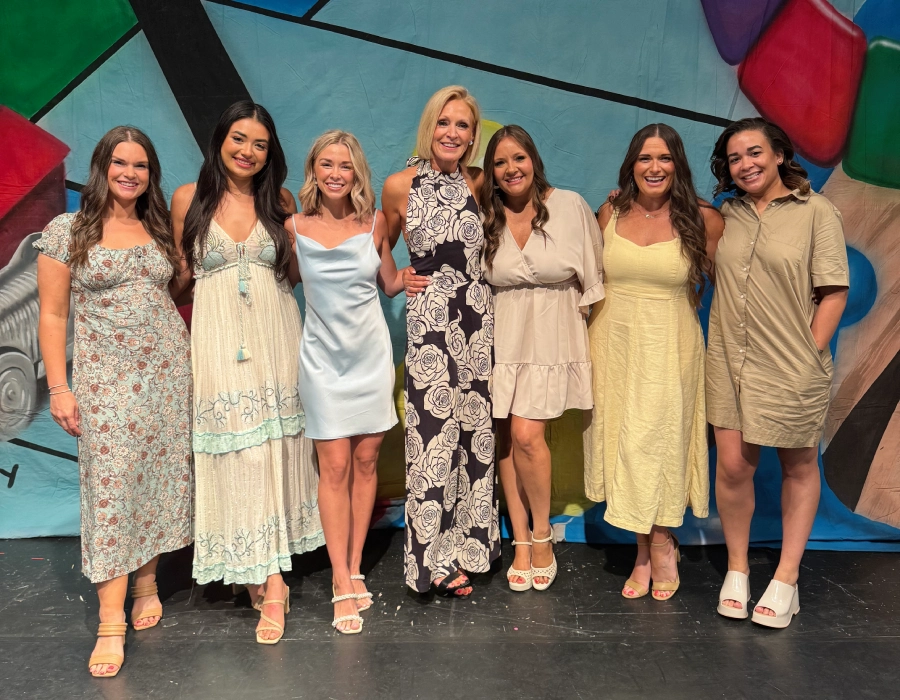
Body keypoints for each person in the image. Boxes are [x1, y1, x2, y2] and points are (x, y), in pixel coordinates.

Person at [35, 126, 192, 677]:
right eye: (119, 162)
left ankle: (147, 584)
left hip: (168, 377)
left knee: (154, 482)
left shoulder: (157, 227)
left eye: (140, 165)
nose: (130, 173)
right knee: (111, 493)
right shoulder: (69, 230)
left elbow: (169, 291)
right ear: (102, 167)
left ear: (151, 174)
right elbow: (52, 314)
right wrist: (60, 388)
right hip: (105, 384)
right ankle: (109, 622)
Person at [172, 101, 324, 644]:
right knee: (238, 452)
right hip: (216, 342)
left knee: (271, 451)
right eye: (239, 138)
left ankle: (271, 579)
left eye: (260, 144)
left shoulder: (279, 202)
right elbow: (180, 279)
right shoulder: (188, 199)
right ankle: (251, 561)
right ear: (219, 140)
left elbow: (297, 275)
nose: (248, 151)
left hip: (277, 335)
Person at [707, 117, 848, 628]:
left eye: (754, 152)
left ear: (780, 154)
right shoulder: (726, 215)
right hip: (728, 360)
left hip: (792, 364)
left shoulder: (817, 212)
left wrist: (810, 354)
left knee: (798, 467)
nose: (745, 164)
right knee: (732, 468)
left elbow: (833, 292)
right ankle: (738, 570)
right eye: (735, 158)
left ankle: (786, 579)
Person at [583, 123, 723, 601]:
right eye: (645, 158)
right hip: (612, 346)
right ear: (632, 165)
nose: (654, 167)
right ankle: (644, 549)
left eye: (664, 158)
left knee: (658, 444)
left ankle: (660, 544)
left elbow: (736, 289)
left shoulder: (704, 219)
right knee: (623, 443)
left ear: (678, 164)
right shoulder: (609, 212)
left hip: (670, 347)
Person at [287, 130, 406, 633]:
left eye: (345, 165)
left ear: (357, 172)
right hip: (322, 363)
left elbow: (390, 282)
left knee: (366, 462)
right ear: (313, 171)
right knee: (333, 467)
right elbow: (281, 282)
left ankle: (355, 566)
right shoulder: (293, 227)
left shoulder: (375, 222)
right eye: (326, 164)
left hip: (371, 359)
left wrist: (422, 276)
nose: (336, 174)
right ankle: (339, 579)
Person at [383, 85, 499, 597]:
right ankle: (432, 560)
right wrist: (394, 280)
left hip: (476, 320)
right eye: (444, 122)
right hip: (430, 322)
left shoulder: (478, 182)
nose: (452, 133)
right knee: (432, 438)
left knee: (474, 436)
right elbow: (377, 243)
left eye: (463, 125)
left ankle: (473, 548)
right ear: (429, 126)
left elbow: (530, 198)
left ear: (473, 137)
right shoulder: (399, 185)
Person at [480, 125, 604, 591]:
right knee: (506, 440)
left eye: (519, 158)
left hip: (552, 335)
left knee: (527, 435)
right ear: (491, 172)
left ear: (534, 159)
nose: (511, 169)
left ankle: (542, 534)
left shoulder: (569, 206)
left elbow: (595, 277)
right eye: (500, 162)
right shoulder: (486, 217)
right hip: (503, 338)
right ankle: (520, 540)